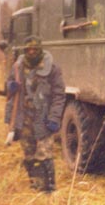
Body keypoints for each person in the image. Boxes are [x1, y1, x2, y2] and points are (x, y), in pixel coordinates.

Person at [4, 35, 66, 192]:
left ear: (40, 50)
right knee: (29, 154)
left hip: (43, 117)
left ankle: (49, 189)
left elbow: (59, 95)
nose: (31, 52)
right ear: (25, 51)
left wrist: (54, 118)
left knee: (45, 153)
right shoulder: (17, 67)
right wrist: (10, 87)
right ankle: (36, 185)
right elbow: (10, 93)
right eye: (29, 50)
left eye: (35, 50)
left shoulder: (52, 68)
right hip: (24, 117)